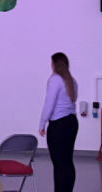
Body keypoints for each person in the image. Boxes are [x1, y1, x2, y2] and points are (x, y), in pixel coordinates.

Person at [38, 52, 79, 192]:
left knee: (59, 164)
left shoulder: (55, 79)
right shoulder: (72, 81)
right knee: (67, 161)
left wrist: (42, 123)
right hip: (71, 122)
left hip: (58, 125)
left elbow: (49, 104)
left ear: (55, 64)